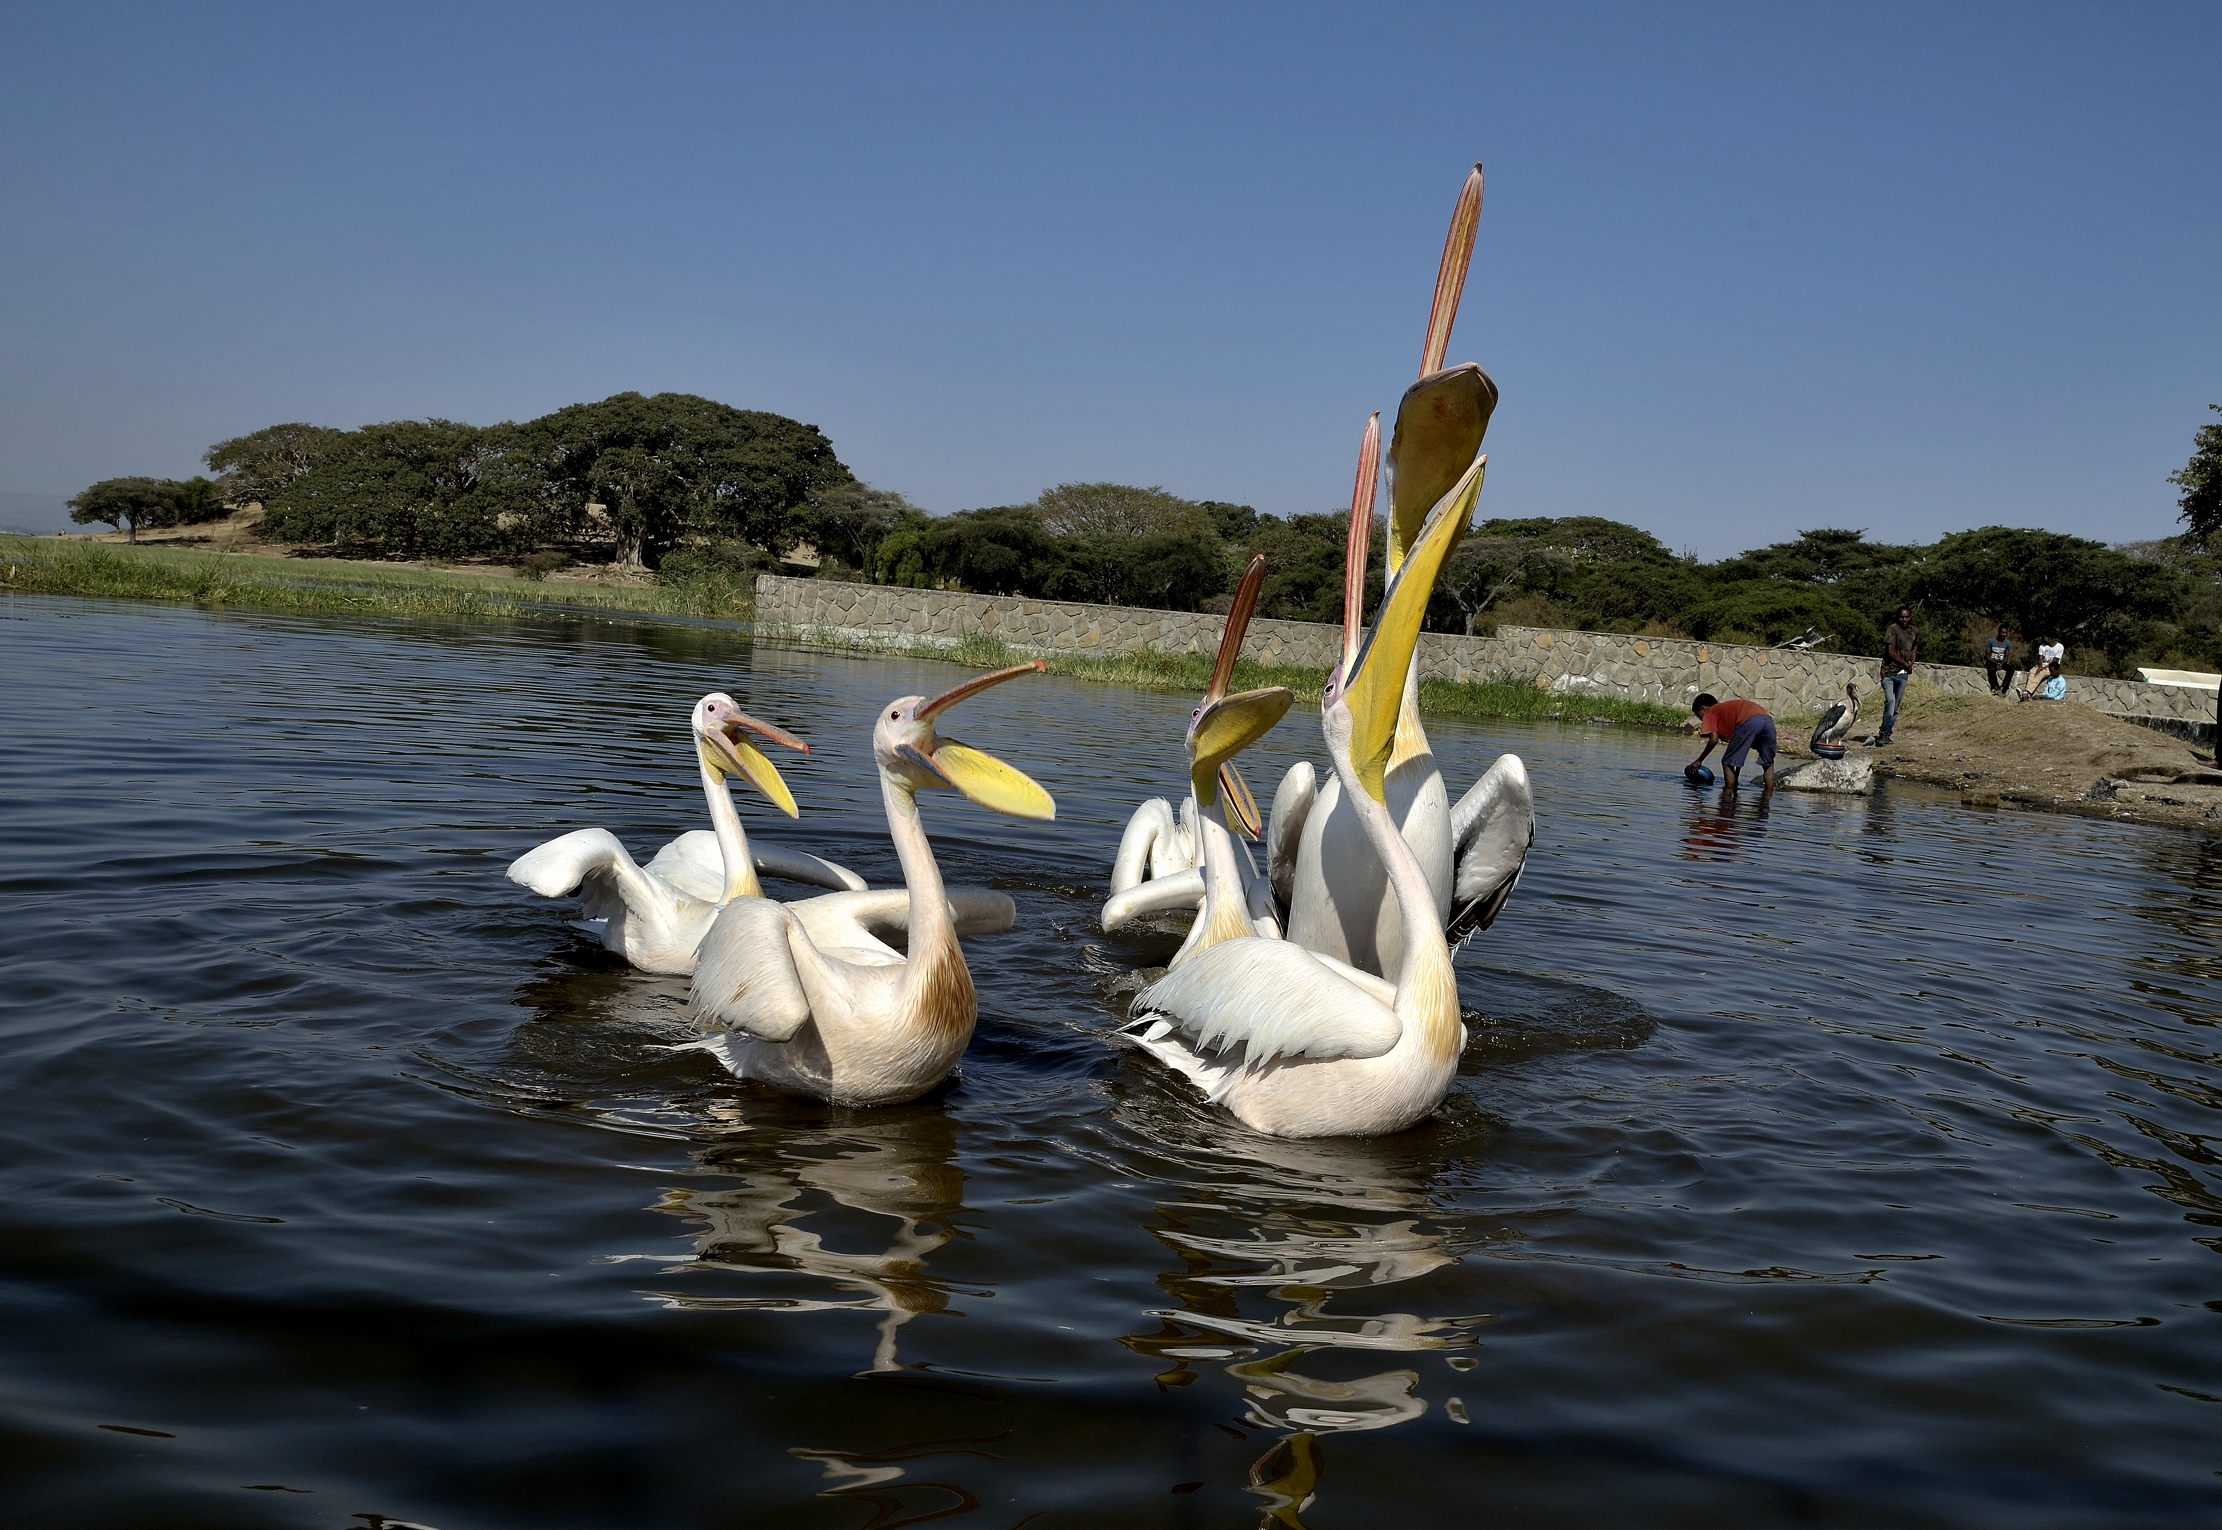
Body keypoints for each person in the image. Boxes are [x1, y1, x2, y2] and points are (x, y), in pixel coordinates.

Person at [1686, 693, 1777, 791]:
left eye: (1699, 716)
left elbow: (1714, 739)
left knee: (1727, 762)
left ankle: (1727, 793)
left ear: (1703, 708)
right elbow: (1738, 755)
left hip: (1750, 721)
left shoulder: (1710, 712)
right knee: (1768, 764)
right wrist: (1736, 778)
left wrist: (1699, 760)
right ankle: (1768, 795)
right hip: (1768, 722)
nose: (1701, 720)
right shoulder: (1727, 712)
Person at [1877, 606, 1917, 744]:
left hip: (1902, 675)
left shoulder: (1914, 631)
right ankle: (1883, 733)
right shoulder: (1892, 630)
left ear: (1911, 617)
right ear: (1897, 617)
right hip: (1888, 672)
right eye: (1901, 617)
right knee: (1890, 701)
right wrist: (1906, 664)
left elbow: (1914, 647)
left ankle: (1886, 733)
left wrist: (1911, 661)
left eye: (1907, 617)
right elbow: (1891, 652)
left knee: (1895, 707)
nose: (1904, 619)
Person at [1983, 625, 2014, 695]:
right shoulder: (1990, 641)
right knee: (1991, 669)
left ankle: (2003, 687)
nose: (2004, 634)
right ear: (1999, 632)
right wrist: (1995, 662)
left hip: (2002, 662)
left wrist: (2002, 664)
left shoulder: (2007, 643)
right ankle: (1995, 687)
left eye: (2006, 633)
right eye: (2003, 633)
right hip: (1992, 661)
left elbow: (2006, 657)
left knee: (2011, 670)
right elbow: (1987, 655)